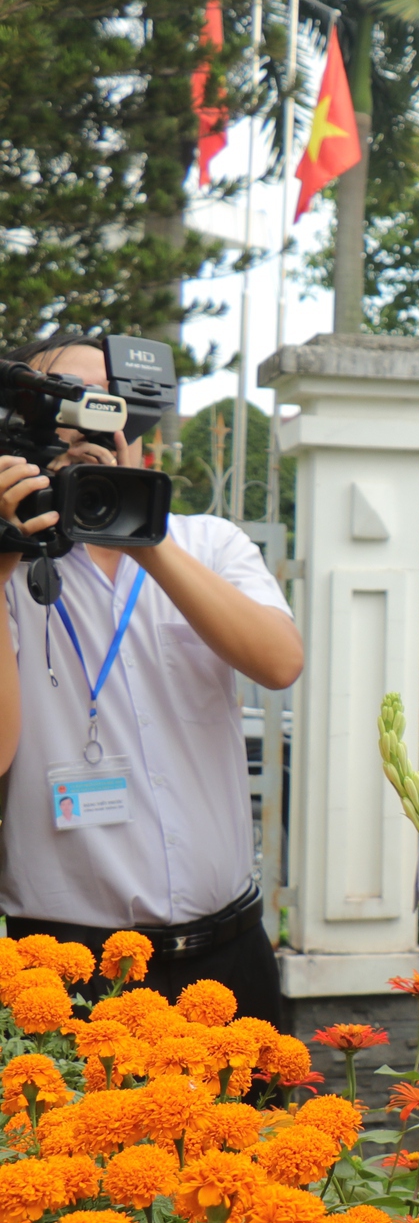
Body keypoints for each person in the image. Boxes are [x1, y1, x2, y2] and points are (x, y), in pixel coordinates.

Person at [0, 336, 302, 1020]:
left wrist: (145, 532)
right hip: (66, 974)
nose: (83, 434)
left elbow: (279, 661)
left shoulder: (207, 544)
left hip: (227, 958)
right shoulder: (10, 567)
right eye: (59, 410)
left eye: (105, 409)